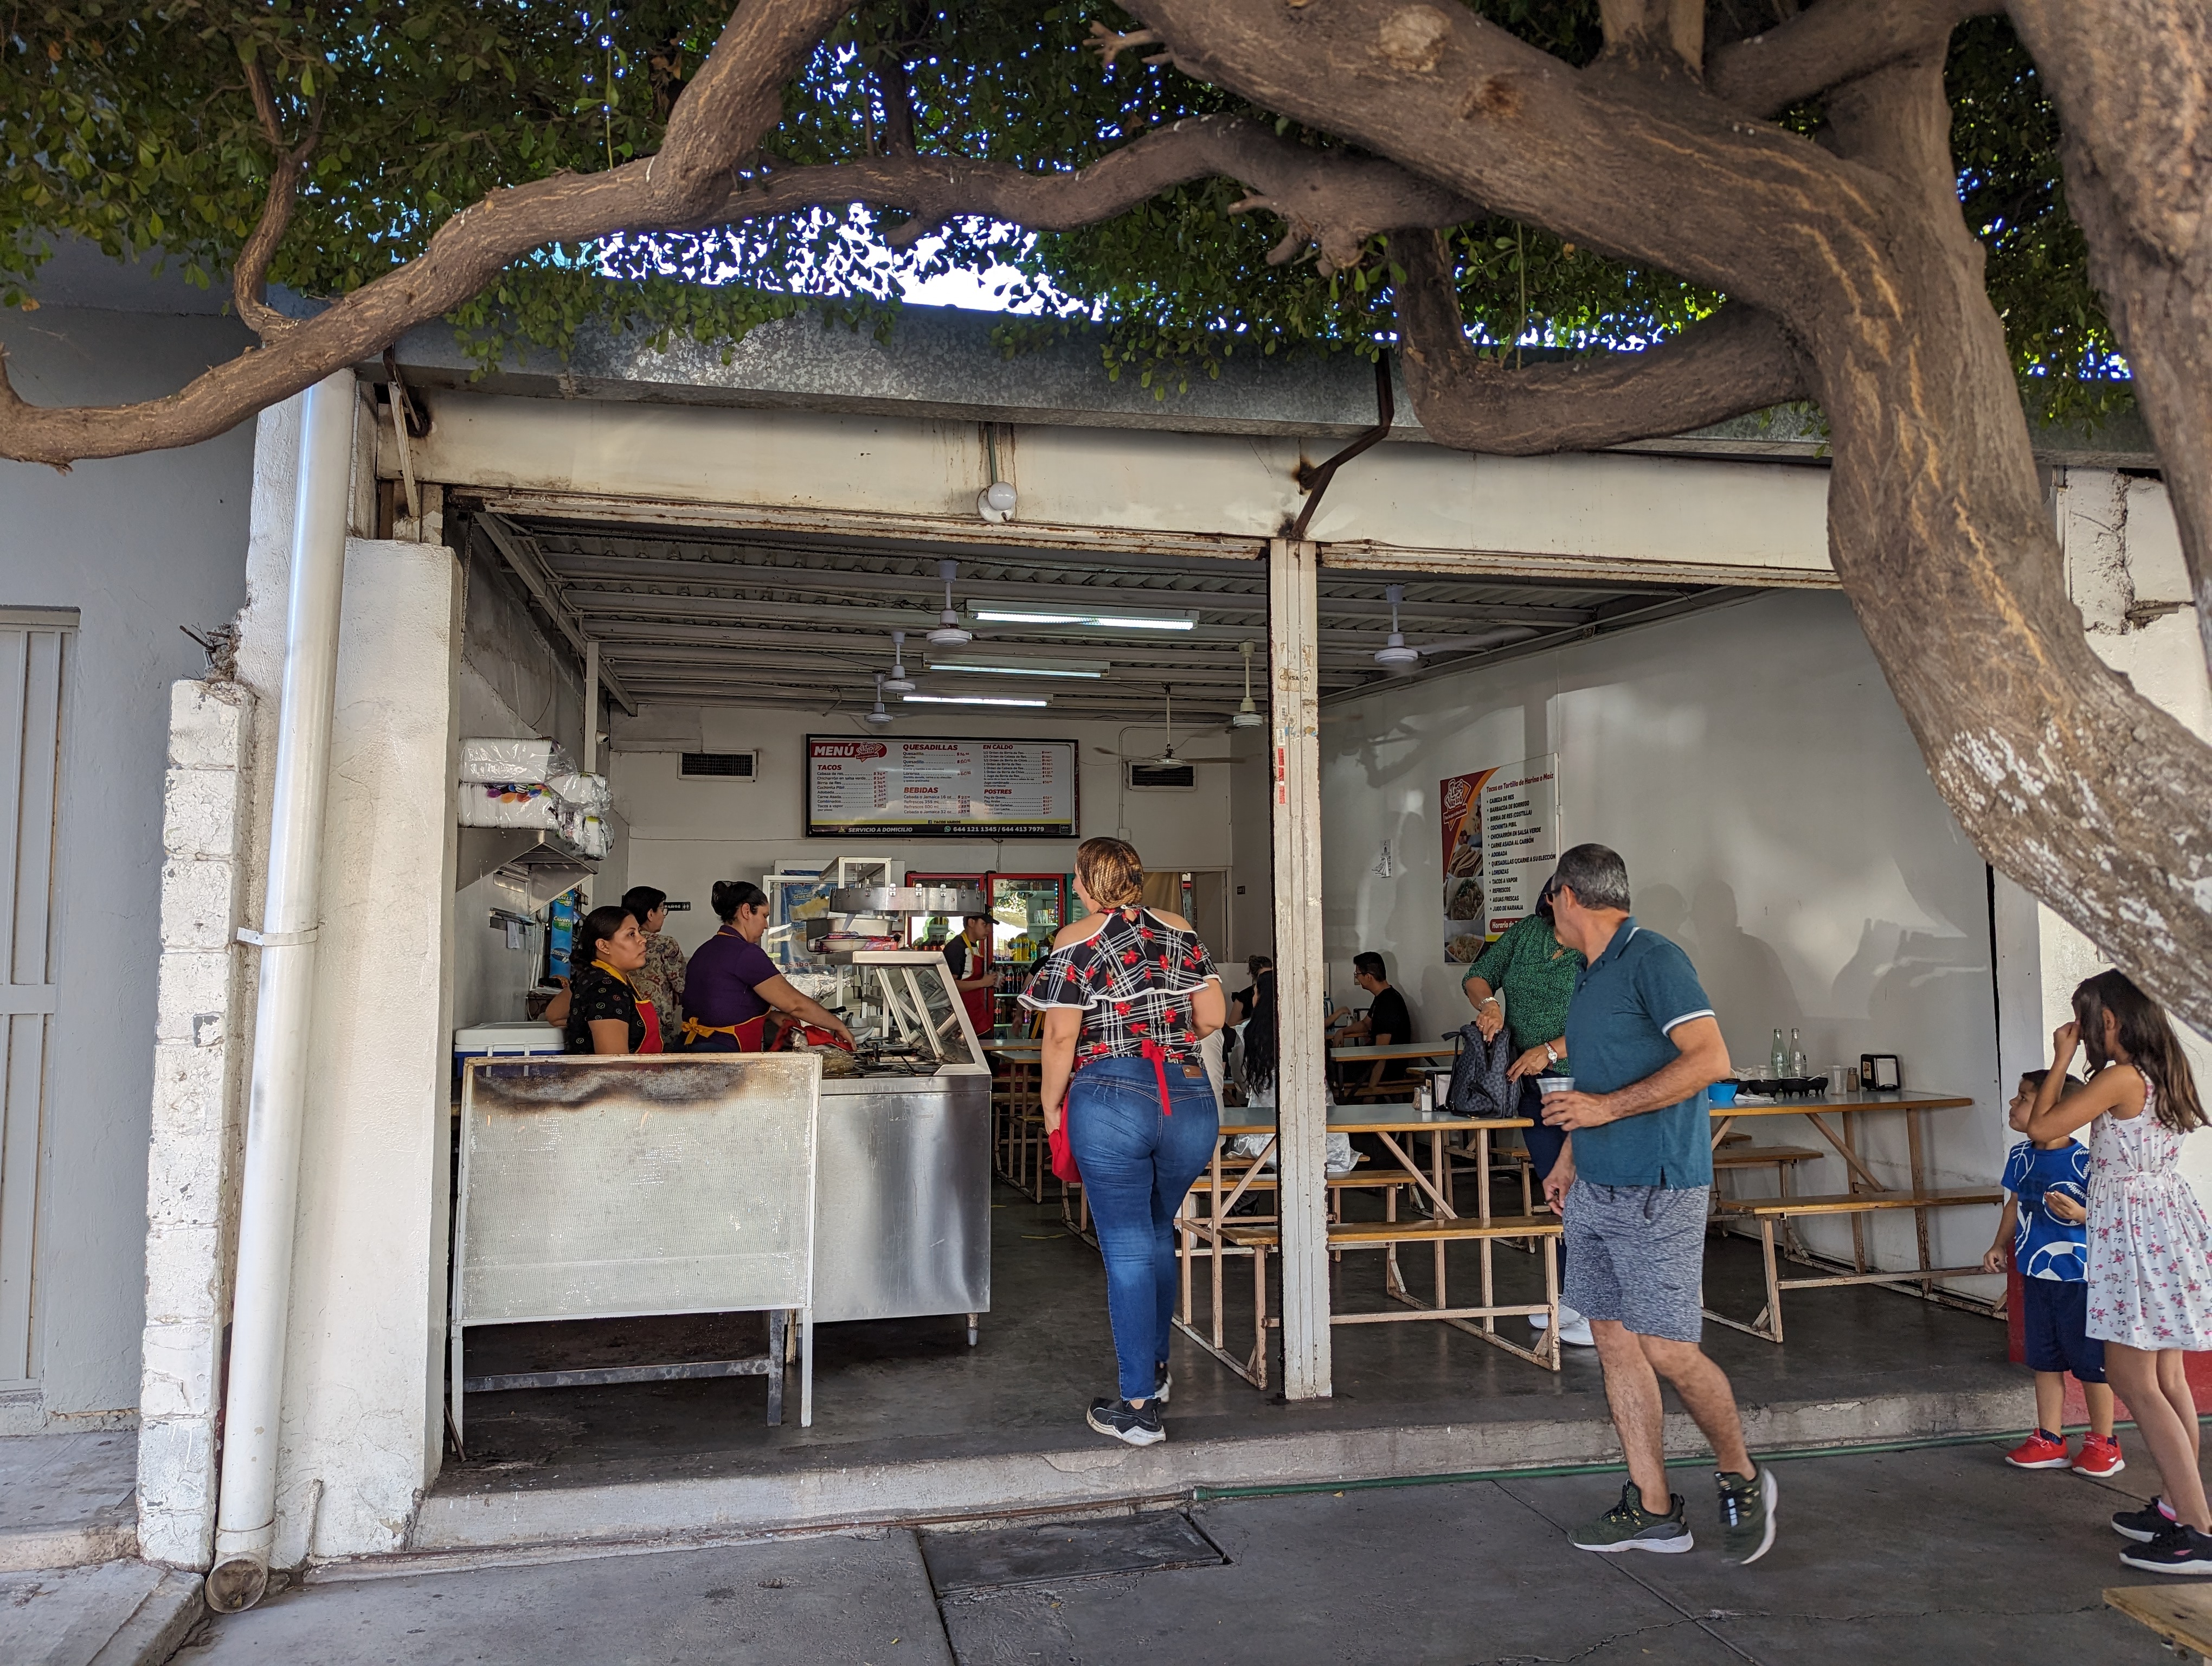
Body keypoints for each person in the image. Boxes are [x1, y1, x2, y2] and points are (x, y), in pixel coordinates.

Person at [1536, 843, 1774, 1564]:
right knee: (1613, 1343)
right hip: (1596, 1188)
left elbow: (1711, 1060)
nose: (1549, 911)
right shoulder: (1585, 975)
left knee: (1669, 1348)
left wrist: (1606, 1112)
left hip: (1659, 1186)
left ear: (1569, 896)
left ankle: (1741, 1473)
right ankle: (1654, 1508)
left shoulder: (1654, 958)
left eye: (1551, 899)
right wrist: (1571, 1157)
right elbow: (1597, 1076)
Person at [1024, 836, 1225, 1448]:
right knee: (1157, 1230)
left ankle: (1137, 1408)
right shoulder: (1179, 927)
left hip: (1112, 1096)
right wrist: (1168, 1041)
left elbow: (1061, 1039)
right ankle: (1157, 1371)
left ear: (1087, 882)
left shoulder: (1076, 939)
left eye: (1078, 878)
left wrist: (1050, 1103)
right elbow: (1214, 1016)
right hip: (1189, 1097)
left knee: (1128, 1245)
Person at [2023, 969, 2212, 1573]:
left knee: (2135, 1382)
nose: (2082, 1033)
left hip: (2134, 1235)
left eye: (2086, 1022)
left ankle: (2199, 1531)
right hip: (2163, 1226)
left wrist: (2061, 1057)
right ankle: (2178, 1506)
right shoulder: (2162, 1069)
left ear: (2109, 1022)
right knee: (2167, 1380)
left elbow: (2042, 1128)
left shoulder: (2119, 1077)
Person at [1464, 872, 1590, 1346]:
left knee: (1590, 1188)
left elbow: (1609, 1020)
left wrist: (1552, 1049)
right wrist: (1491, 1003)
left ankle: (1600, 1307)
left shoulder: (1598, 946)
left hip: (1586, 1082)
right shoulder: (1526, 933)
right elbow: (1476, 975)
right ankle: (1569, 1295)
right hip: (1535, 1086)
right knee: (1557, 1188)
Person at [1982, 1067, 2119, 1476]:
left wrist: (2082, 1214)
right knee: (2044, 1360)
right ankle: (2050, 1438)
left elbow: (2113, 1215)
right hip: (2037, 1277)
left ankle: (2104, 1442)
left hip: (2082, 1281)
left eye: (2023, 1098)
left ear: (2055, 1109)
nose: (2013, 1103)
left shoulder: (2088, 1161)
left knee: (2092, 1365)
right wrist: (1998, 1244)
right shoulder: (2020, 1156)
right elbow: (2014, 1204)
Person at [680, 879, 855, 1051]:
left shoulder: (704, 951)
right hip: (725, 1057)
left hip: (691, 1048)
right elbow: (795, 1004)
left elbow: (722, 1005)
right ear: (747, 911)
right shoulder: (746, 954)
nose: (766, 925)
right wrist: (838, 1026)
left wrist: (771, 1015)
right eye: (764, 916)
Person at [562, 905, 665, 1055]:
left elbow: (554, 1014)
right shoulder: (607, 991)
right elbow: (615, 1069)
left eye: (639, 932)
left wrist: (583, 1026)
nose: (643, 940)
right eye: (631, 934)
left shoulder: (592, 976)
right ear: (604, 946)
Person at [1332, 951, 1416, 1096]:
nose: (1357, 979)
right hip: (1374, 1062)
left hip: (1388, 1069)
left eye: (1357, 974)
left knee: (1332, 1072)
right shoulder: (1383, 996)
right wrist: (1343, 1032)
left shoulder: (1389, 1004)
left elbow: (1382, 1053)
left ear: (1368, 977)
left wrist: (1372, 1091)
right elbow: (1365, 1024)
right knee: (1333, 1067)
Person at [622, 885, 687, 1046]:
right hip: (656, 1024)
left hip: (622, 1018)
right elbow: (683, 987)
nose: (664, 916)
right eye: (662, 910)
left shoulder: (618, 942)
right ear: (651, 914)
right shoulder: (666, 944)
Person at [942, 912, 998, 1041]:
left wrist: (990, 980)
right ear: (971, 923)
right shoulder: (956, 948)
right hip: (962, 1020)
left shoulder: (973, 946)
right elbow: (949, 984)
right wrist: (983, 983)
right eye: (985, 924)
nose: (989, 929)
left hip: (977, 1016)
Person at [1232, 954, 1274, 1026]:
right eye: (1263, 976)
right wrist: (1251, 1021)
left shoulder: (1279, 994)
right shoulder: (1243, 997)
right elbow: (1231, 1025)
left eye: (1270, 975)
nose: (1267, 979)